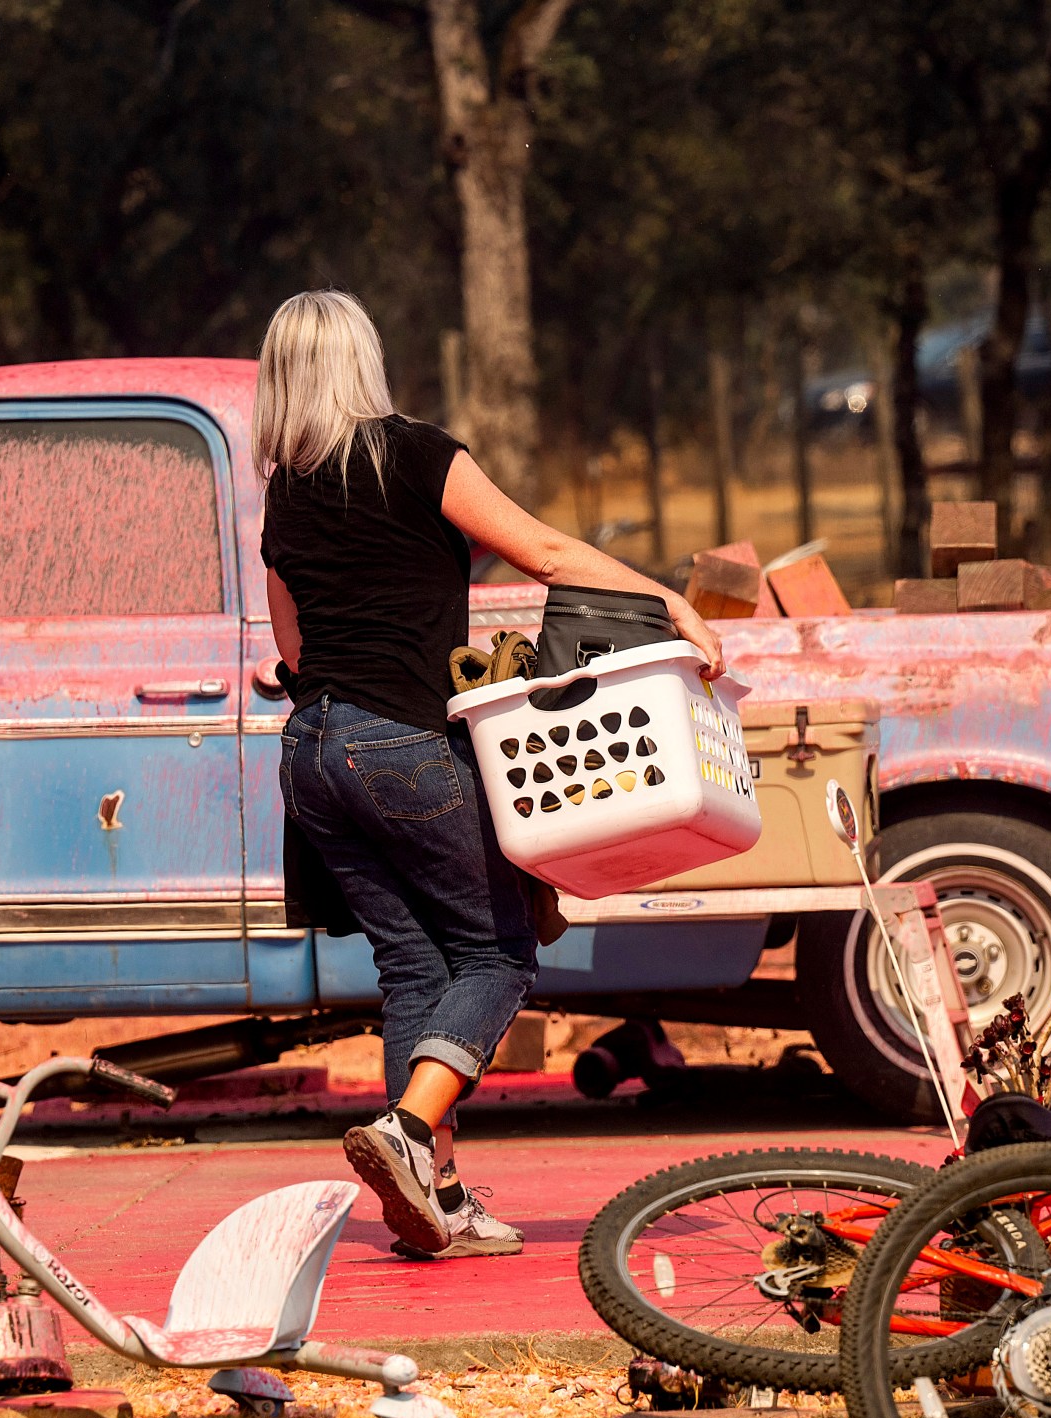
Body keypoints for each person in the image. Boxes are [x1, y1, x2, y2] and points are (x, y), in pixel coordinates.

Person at [257, 290, 725, 1257]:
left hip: (310, 756)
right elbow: (547, 552)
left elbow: (291, 651)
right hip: (400, 746)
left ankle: (439, 1202)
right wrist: (667, 601)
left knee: (413, 970)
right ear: (363, 361)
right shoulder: (419, 454)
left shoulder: (284, 491)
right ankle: (407, 1131)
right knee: (499, 952)